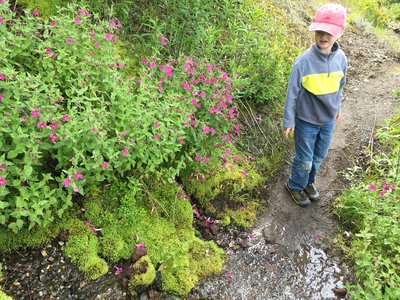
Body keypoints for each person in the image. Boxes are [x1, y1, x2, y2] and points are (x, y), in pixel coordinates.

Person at [283, 3, 348, 207]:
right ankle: (294, 185)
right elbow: (292, 93)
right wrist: (288, 120)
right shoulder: (303, 62)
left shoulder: (341, 59)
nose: (324, 36)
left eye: (329, 32)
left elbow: (341, 85)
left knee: (319, 156)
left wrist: (337, 107)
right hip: (306, 120)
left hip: (327, 120)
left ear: (340, 33)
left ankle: (308, 182)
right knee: (305, 159)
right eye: (320, 31)